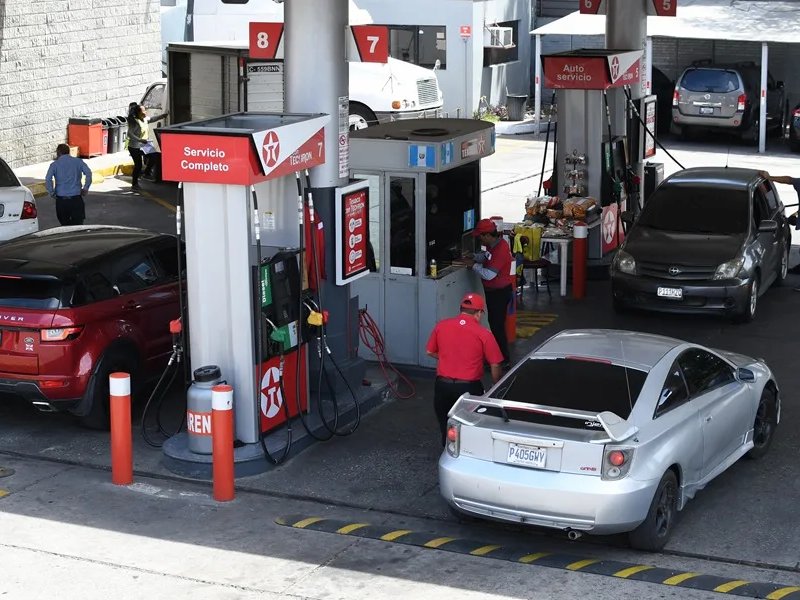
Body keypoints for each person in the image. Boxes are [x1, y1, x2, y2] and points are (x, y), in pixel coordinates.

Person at [426, 292, 504, 445]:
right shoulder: (484, 333)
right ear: (479, 313)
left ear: (461, 309)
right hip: (468, 388)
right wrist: (496, 385)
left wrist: (448, 358)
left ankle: (447, 450)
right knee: (471, 428)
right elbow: (495, 364)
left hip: (442, 386)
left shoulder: (442, 325)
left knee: (446, 426)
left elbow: (430, 351)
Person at [462, 218, 514, 368]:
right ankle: (497, 357)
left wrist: (473, 266)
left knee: (497, 327)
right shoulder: (494, 246)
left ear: (487, 235)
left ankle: (503, 360)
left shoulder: (500, 250)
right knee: (495, 325)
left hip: (499, 294)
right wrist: (474, 257)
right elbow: (486, 257)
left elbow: (489, 274)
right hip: (494, 293)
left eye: (480, 236)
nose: (480, 239)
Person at [44, 143, 92, 226]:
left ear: (58, 153)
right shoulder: (78, 161)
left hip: (61, 201)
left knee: (65, 226)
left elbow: (48, 179)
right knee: (78, 226)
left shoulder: (54, 165)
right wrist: (85, 188)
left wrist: (51, 192)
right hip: (76, 199)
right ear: (68, 151)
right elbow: (88, 173)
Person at [127, 103, 151, 191]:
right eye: (143, 110)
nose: (145, 112)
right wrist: (139, 140)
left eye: (145, 110)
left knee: (154, 156)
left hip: (144, 145)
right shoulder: (135, 122)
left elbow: (152, 119)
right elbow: (129, 134)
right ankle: (134, 184)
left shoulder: (145, 119)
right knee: (138, 165)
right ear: (139, 113)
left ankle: (146, 173)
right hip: (134, 147)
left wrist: (164, 115)